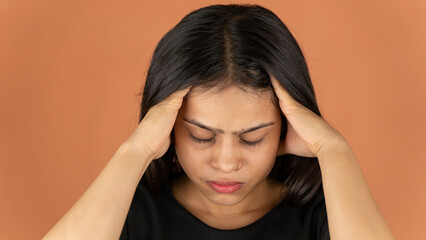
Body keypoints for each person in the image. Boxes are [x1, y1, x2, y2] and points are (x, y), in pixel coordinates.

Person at [43, 3, 395, 240]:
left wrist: (334, 149)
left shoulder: (326, 214)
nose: (227, 162)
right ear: (168, 127)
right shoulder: (126, 212)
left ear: (288, 128)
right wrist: (134, 151)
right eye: (201, 136)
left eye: (253, 138)